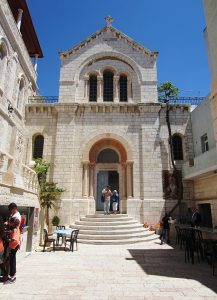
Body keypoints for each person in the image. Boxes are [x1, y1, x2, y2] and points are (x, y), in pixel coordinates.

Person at [4, 217, 20, 284]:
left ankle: (12, 276)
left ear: (13, 223)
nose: (9, 223)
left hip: (13, 246)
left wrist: (8, 240)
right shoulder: (17, 228)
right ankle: (13, 275)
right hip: (15, 246)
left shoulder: (14, 230)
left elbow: (14, 239)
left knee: (12, 261)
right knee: (13, 260)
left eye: (10, 222)